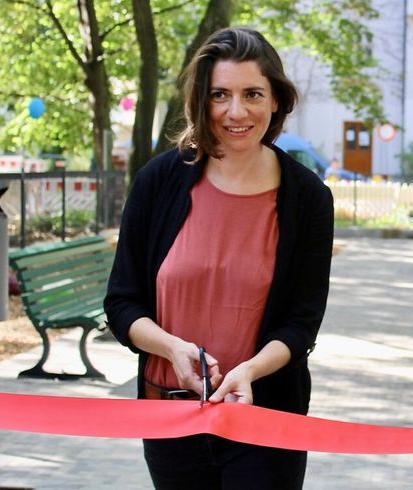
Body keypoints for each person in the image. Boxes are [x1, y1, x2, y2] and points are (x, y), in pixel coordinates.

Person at [104, 26, 334, 489]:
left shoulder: (308, 198)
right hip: (169, 415)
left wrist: (249, 371)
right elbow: (123, 304)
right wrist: (171, 348)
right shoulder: (157, 182)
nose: (236, 111)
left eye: (252, 94)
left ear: (276, 100)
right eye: (220, 95)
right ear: (201, 101)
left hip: (266, 418)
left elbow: (301, 323)